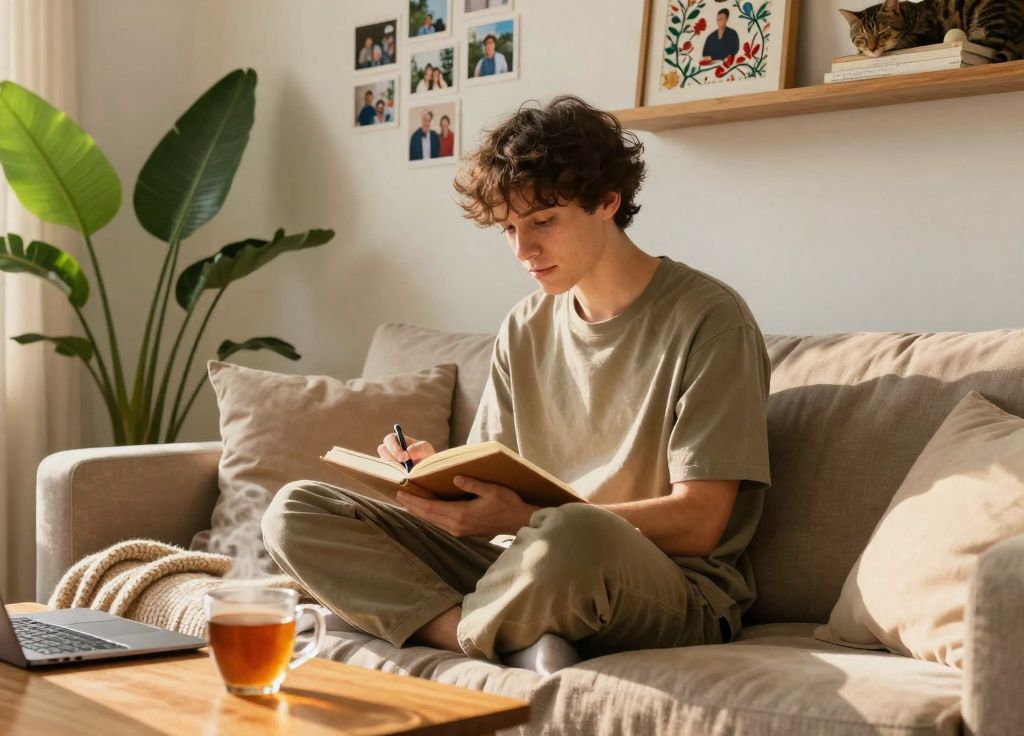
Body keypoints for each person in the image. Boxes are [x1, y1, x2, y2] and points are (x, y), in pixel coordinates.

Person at [263, 95, 771, 675]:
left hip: (659, 579)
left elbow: (699, 523)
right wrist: (444, 479)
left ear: (608, 201)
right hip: (519, 562)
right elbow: (502, 473)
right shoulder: (525, 325)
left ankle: (457, 629)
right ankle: (485, 636)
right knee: (295, 509)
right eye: (508, 228)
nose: (523, 251)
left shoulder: (710, 318)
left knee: (576, 532)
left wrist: (522, 518)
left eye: (543, 222)